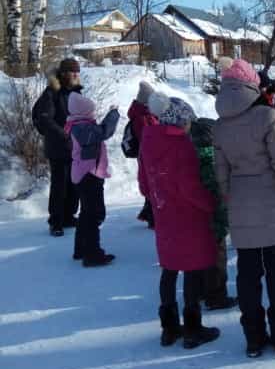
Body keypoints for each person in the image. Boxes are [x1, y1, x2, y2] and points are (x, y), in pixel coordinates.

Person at [213, 59, 275, 359]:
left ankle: (253, 340)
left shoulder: (220, 124)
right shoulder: (266, 116)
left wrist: (231, 199)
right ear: (252, 83)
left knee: (248, 277)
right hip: (274, 208)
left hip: (241, 207)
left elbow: (221, 173)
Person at [140, 94, 220, 349]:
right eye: (187, 121)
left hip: (164, 214)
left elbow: (143, 184)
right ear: (178, 121)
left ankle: (170, 328)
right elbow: (189, 187)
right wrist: (211, 204)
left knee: (169, 269)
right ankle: (193, 329)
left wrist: (158, 199)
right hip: (189, 217)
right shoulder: (181, 146)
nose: (190, 126)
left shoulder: (149, 140)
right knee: (193, 271)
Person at [65, 93, 120, 267]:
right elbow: (104, 132)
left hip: (88, 174)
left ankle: (81, 249)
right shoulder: (81, 127)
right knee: (94, 214)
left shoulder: (80, 124)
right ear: (83, 111)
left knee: (87, 213)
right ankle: (92, 254)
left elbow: (99, 133)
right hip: (88, 175)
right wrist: (113, 114)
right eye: (91, 109)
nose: (93, 112)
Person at [189, 116, 237, 310]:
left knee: (200, 255)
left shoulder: (190, 158)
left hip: (196, 218)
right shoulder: (216, 161)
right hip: (215, 218)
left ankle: (200, 291)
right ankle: (217, 296)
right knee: (217, 258)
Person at [32, 58, 82, 236]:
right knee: (59, 185)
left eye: (77, 72)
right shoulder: (52, 92)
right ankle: (56, 221)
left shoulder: (75, 91)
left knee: (73, 183)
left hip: (74, 146)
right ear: (63, 73)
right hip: (58, 147)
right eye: (72, 72)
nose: (76, 75)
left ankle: (69, 216)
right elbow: (45, 119)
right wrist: (65, 133)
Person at [127, 81, 159, 228]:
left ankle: (148, 214)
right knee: (153, 185)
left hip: (148, 154)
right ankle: (152, 217)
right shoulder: (142, 116)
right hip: (148, 155)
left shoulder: (144, 113)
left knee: (153, 184)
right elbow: (148, 136)